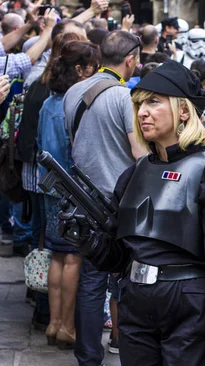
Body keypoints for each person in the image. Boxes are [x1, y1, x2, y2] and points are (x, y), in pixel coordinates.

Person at [58, 61, 205, 366]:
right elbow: (119, 256)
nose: (143, 112)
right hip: (136, 303)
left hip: (189, 305)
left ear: (184, 111)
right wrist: (87, 241)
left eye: (154, 101)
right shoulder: (135, 173)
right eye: (139, 103)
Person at [63, 30, 146, 366]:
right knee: (128, 276)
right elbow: (139, 153)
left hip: (82, 197)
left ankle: (87, 358)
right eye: (137, 59)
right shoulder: (123, 98)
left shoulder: (73, 92)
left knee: (91, 278)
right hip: (119, 200)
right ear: (130, 60)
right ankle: (123, 344)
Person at [38, 39, 101, 349]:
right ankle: (65, 325)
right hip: (71, 188)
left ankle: (53, 322)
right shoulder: (72, 103)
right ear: (80, 69)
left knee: (57, 254)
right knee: (73, 257)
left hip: (49, 187)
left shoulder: (48, 102)